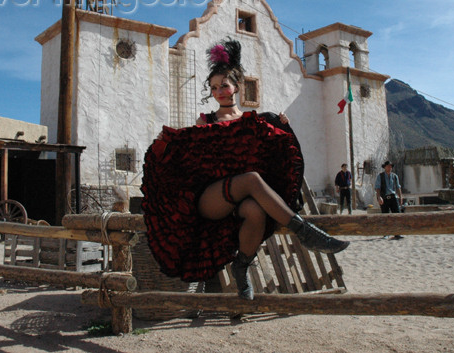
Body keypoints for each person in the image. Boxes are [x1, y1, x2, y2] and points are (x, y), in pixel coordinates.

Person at [141, 38, 350, 301]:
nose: (218, 92)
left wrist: (283, 127)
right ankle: (304, 232)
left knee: (255, 211)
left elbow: (278, 154)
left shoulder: (254, 123)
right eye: (214, 87)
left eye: (224, 86)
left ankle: (242, 267)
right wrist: (170, 142)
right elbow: (190, 154)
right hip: (210, 200)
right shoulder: (205, 121)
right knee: (251, 179)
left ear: (237, 86)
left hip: (241, 201)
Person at [375, 160, 404, 239]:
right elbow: (377, 188)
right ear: (385, 167)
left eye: (391, 166)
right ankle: (386, 233)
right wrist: (378, 197)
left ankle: (397, 233)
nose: (390, 167)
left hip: (393, 197)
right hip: (384, 197)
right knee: (385, 215)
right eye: (388, 166)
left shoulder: (394, 176)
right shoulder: (380, 176)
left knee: (397, 215)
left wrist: (400, 197)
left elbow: (398, 187)